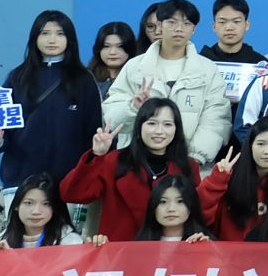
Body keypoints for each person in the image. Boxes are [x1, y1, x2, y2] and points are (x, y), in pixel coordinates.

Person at [100, 0, 232, 168]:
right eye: (172, 22)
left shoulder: (208, 70)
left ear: (194, 29)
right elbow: (111, 118)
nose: (179, 29)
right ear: (160, 26)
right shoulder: (135, 67)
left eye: (186, 23)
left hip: (189, 166)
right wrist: (132, 107)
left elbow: (216, 120)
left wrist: (194, 159)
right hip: (137, 165)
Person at [0, 10, 102, 191]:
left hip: (69, 183)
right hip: (21, 181)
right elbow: (2, 128)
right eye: (45, 33)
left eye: (60, 34)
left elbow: (93, 131)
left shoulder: (83, 79)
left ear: (70, 39)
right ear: (34, 38)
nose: (52, 40)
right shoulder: (17, 77)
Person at [60, 99, 200, 242]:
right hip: (120, 248)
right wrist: (97, 155)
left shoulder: (188, 166)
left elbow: (197, 214)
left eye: (167, 124)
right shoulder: (115, 161)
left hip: (171, 249)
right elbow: (72, 193)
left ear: (176, 129)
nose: (159, 131)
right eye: (152, 123)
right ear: (139, 126)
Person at [200, 118, 268, 243]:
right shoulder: (227, 176)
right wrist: (217, 180)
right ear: (250, 145)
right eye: (261, 144)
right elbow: (200, 215)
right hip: (227, 253)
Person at [200, 0, 268, 115]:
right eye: (222, 22)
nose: (229, 27)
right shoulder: (201, 62)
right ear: (214, 26)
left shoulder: (260, 64)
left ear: (247, 25)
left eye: (236, 21)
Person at [0, 175, 89, 250]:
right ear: (16, 205)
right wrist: (3, 258)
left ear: (55, 208)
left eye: (46, 204)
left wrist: (13, 259)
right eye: (29, 203)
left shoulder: (71, 243)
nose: (36, 211)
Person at [133, 176, 211, 244]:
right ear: (153, 207)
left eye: (180, 201)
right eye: (163, 202)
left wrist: (207, 249)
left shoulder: (203, 241)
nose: (171, 209)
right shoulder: (139, 245)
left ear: (191, 206)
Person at [88, 21, 137, 99]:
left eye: (120, 46)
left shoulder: (139, 77)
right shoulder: (86, 77)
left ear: (130, 48)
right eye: (106, 46)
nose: (112, 52)